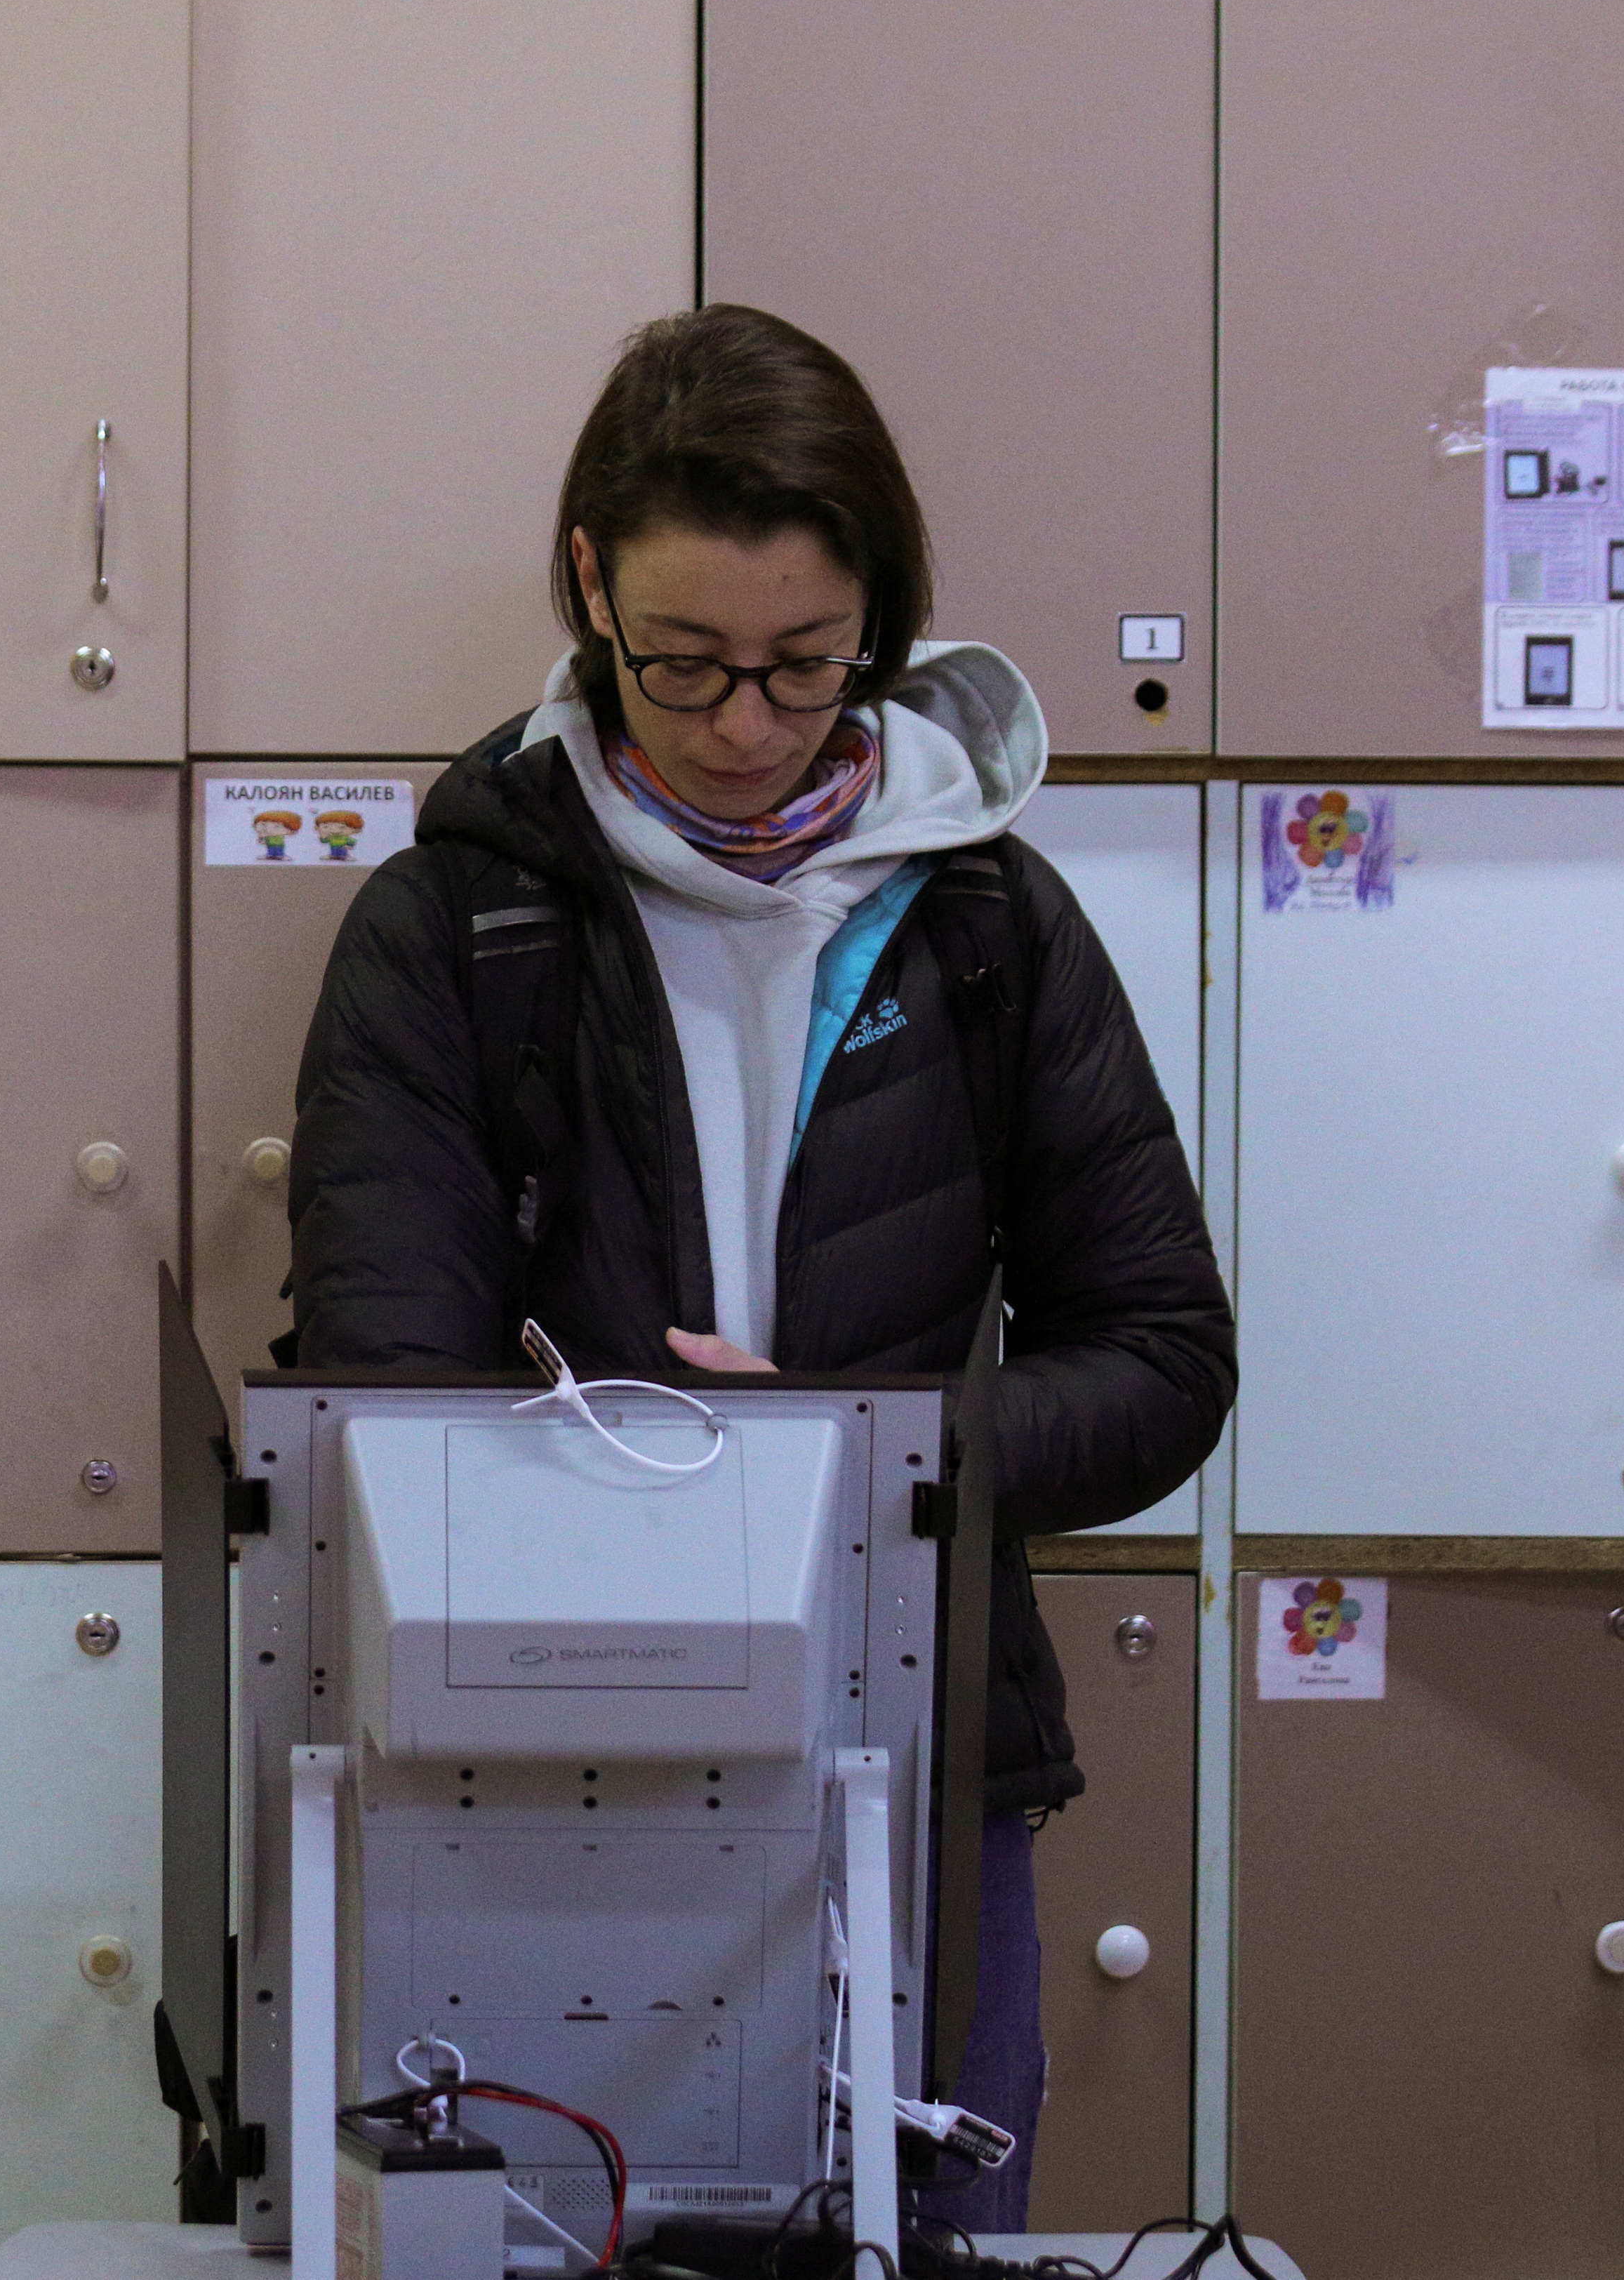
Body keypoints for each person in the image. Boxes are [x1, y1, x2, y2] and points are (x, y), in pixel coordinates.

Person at [285, 304, 1234, 2229]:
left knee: (916, 2235)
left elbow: (1157, 1360)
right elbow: (380, 1401)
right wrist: (654, 1491)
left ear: (877, 622)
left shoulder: (985, 917)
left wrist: (864, 1454)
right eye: (682, 665)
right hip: (528, 1762)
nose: (737, 727)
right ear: (583, 591)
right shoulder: (452, 926)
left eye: (802, 669)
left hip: (919, 1754)